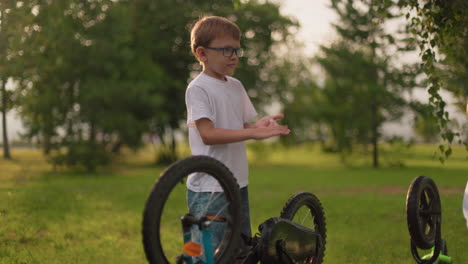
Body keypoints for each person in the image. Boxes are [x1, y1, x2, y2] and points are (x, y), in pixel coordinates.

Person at [185, 15, 290, 261]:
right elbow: (208, 134)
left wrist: (258, 126)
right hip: (209, 187)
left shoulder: (235, 86)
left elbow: (240, 126)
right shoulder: (198, 88)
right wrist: (251, 132)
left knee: (240, 250)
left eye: (236, 49)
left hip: (237, 181)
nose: (233, 55)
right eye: (226, 50)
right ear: (202, 53)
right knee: (209, 254)